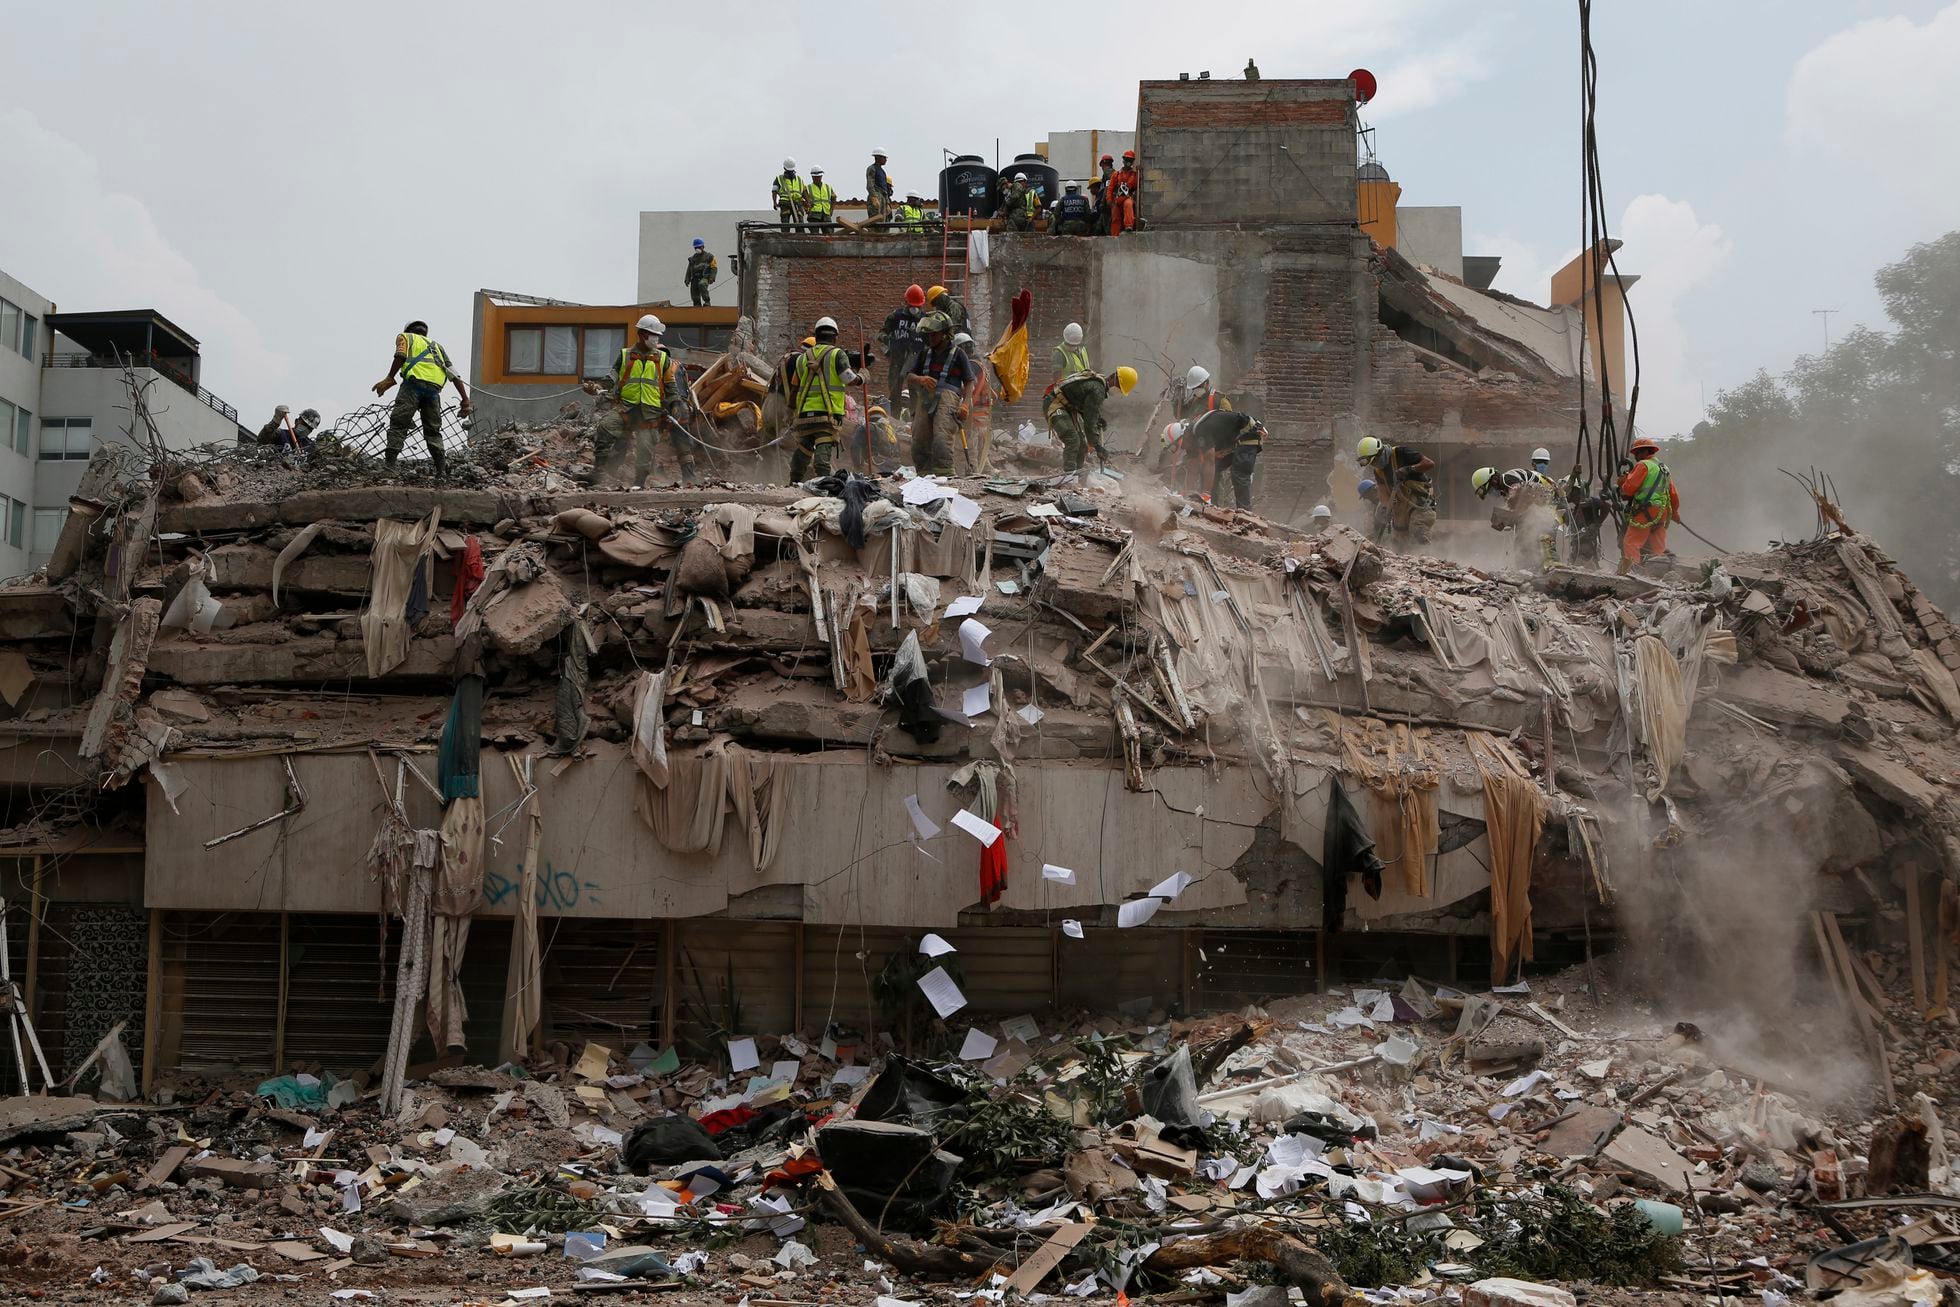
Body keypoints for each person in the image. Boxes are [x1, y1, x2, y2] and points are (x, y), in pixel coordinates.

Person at [590, 313, 692, 487]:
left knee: (645, 448)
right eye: (654, 335)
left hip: (650, 412)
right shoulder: (625, 355)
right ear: (643, 335)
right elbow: (612, 376)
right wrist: (597, 385)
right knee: (605, 427)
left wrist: (675, 403)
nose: (656, 339)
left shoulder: (662, 359)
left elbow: (670, 384)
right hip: (626, 408)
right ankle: (599, 473)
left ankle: (639, 482)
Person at [373, 319, 470, 474]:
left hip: (412, 387)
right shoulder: (437, 347)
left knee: (398, 425)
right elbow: (454, 374)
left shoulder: (405, 337)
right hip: (433, 392)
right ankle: (441, 472)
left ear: (408, 330)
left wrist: (390, 377)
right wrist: (465, 399)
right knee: (433, 432)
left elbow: (400, 355)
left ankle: (389, 467)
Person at [787, 317, 860, 483]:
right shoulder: (837, 354)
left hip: (804, 416)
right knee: (822, 457)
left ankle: (793, 485)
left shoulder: (801, 359)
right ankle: (824, 489)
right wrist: (862, 376)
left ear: (816, 336)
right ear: (835, 337)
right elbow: (849, 379)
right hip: (827, 416)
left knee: (803, 451)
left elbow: (794, 389)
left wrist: (790, 411)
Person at [906, 311, 979, 475]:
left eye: (934, 334)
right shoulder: (924, 354)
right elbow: (910, 376)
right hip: (925, 399)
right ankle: (924, 477)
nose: (930, 338)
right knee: (918, 441)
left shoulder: (959, 354)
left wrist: (965, 404)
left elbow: (969, 382)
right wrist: (922, 379)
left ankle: (945, 477)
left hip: (948, 400)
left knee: (941, 440)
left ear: (946, 333)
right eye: (929, 334)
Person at [1046, 363, 1137, 475]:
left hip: (1067, 406)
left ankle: (1077, 476)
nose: (1118, 390)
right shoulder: (1098, 390)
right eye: (1119, 387)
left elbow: (1088, 408)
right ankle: (1069, 477)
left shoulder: (1099, 384)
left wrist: (1098, 418)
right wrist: (1098, 447)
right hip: (1055, 404)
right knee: (1073, 440)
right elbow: (1089, 422)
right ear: (1113, 377)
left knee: (1082, 446)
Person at [1355, 435, 1436, 548]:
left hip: (1419, 503)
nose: (1375, 465)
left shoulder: (1401, 453)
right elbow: (1383, 493)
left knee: (1418, 530)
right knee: (1399, 539)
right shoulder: (1378, 472)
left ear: (1379, 453)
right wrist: (1384, 509)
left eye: (1375, 461)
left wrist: (1408, 469)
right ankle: (1404, 563)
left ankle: (1427, 559)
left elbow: (1429, 463)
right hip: (1401, 506)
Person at [1473, 465, 1558, 572]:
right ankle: (1528, 569)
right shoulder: (1505, 491)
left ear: (1493, 480)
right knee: (1523, 536)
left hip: (1549, 497)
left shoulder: (1507, 480)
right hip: (1539, 500)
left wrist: (1505, 518)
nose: (1491, 494)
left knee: (1542, 535)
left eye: (1489, 490)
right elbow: (1517, 508)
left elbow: (1521, 499)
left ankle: (1553, 567)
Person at [1616, 435, 1679, 574]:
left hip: (1645, 510)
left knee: (1631, 543)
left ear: (1644, 452)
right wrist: (1675, 513)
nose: (1636, 457)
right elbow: (1673, 493)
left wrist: (1623, 481)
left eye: (1637, 453)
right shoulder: (1664, 468)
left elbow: (1629, 488)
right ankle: (1661, 572)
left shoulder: (1642, 465)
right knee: (1658, 547)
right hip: (1661, 511)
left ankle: (1634, 572)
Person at [1192, 405, 1265, 509]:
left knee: (1239, 473)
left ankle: (1245, 513)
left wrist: (1205, 493)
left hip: (1250, 436)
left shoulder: (1201, 428)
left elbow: (1209, 460)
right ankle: (1212, 505)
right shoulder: (1203, 427)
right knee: (1213, 467)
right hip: (1238, 441)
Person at [880, 285, 927, 412]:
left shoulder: (926, 319)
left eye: (918, 306)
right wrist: (888, 342)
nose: (915, 309)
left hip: (916, 362)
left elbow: (931, 341)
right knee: (895, 390)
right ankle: (895, 418)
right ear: (906, 303)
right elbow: (881, 334)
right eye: (912, 305)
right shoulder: (895, 316)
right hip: (897, 359)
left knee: (916, 392)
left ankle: (914, 419)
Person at [955, 331, 996, 473]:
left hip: (975, 414)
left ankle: (972, 473)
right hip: (983, 414)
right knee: (981, 449)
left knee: (970, 446)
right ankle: (986, 470)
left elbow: (968, 388)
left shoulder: (972, 366)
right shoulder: (979, 364)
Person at [251, 405, 321, 459]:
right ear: (296, 421)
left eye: (310, 428)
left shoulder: (311, 447)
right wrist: (275, 421)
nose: (306, 429)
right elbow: (262, 439)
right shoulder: (281, 434)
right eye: (304, 424)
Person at [1108, 149, 1140, 235]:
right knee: (1115, 217)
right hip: (1117, 199)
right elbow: (1110, 188)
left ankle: (1129, 225)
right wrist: (1110, 200)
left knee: (1128, 204)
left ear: (1132, 161)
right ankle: (1114, 235)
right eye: (1126, 159)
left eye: (1130, 160)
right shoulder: (1116, 174)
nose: (1128, 162)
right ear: (1123, 160)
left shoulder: (1135, 175)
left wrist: (1141, 172)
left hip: (1127, 198)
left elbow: (1138, 186)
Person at [772, 158, 807, 231]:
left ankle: (800, 239)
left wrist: (808, 202)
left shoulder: (799, 179)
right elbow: (774, 191)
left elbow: (804, 192)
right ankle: (786, 238)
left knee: (800, 225)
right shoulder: (779, 178)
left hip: (797, 203)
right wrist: (774, 202)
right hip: (785, 203)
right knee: (785, 225)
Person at [685, 239, 717, 307]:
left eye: (699, 247)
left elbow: (714, 267)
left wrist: (712, 277)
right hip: (695, 278)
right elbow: (689, 269)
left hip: (704, 277)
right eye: (696, 247)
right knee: (694, 291)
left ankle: (707, 302)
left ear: (703, 247)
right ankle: (697, 304)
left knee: (702, 284)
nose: (697, 249)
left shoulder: (709, 257)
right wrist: (687, 279)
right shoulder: (693, 258)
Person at [866, 149, 895, 224]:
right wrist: (874, 197)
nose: (886, 160)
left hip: (883, 198)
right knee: (876, 220)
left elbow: (885, 190)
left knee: (884, 222)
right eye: (884, 158)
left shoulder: (882, 172)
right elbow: (870, 184)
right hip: (877, 196)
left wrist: (887, 203)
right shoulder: (872, 168)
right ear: (877, 157)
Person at [806, 167, 837, 232]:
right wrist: (807, 209)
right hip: (814, 215)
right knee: (814, 234)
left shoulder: (827, 187)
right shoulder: (808, 188)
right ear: (812, 177)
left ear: (821, 176)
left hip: (826, 214)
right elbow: (803, 200)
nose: (817, 178)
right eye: (815, 177)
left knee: (829, 233)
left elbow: (834, 197)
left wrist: (831, 210)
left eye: (818, 176)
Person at [1091, 154, 1115, 233]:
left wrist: (1102, 202)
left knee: (1107, 228)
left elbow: (1108, 188)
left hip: (1107, 205)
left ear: (1103, 164)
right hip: (1109, 204)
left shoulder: (1108, 173)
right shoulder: (1113, 174)